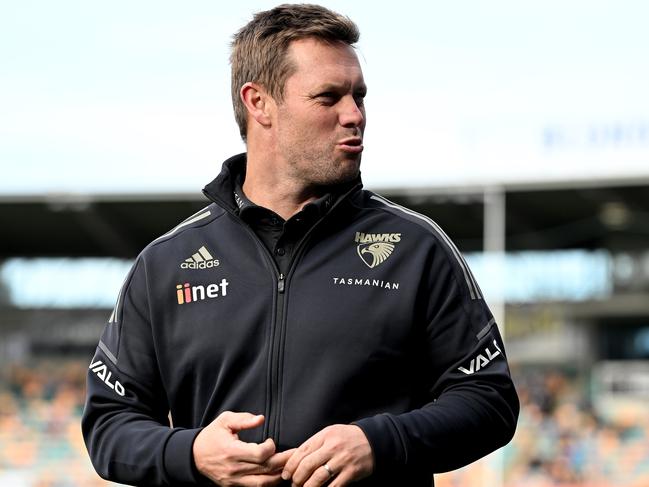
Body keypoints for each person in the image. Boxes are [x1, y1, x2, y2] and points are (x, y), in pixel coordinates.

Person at [82, 4, 519, 486]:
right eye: (328, 97)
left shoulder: (417, 248)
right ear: (259, 103)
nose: (354, 115)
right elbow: (108, 425)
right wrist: (190, 453)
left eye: (359, 96)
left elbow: (489, 401)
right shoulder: (164, 264)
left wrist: (382, 441)